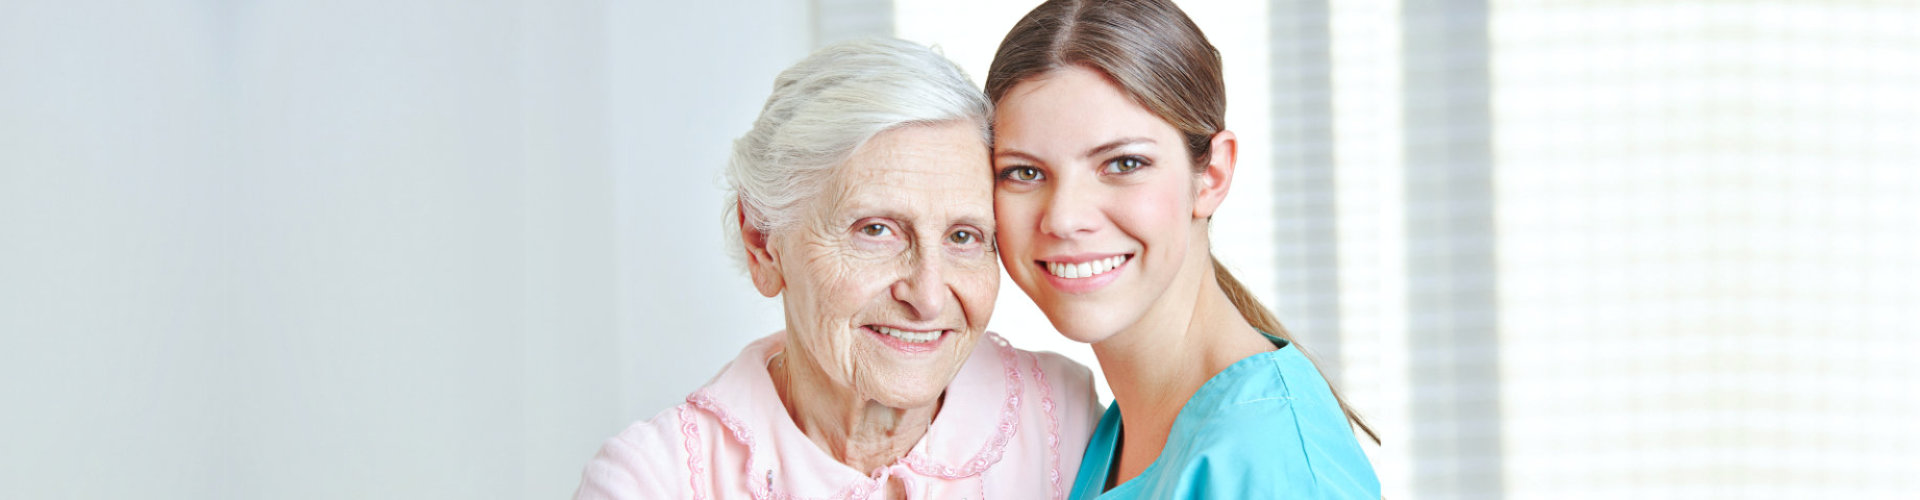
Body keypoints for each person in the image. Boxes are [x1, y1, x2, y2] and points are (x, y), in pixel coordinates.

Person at [572, 38, 1102, 499]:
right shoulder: (651, 481)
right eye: (875, 230)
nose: (929, 296)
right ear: (762, 242)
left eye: (964, 237)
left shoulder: (1061, 415)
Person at [983, 0, 1381, 498]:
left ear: (1212, 175)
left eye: (1124, 163)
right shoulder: (1113, 432)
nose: (1063, 217)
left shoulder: (1269, 463)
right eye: (1025, 172)